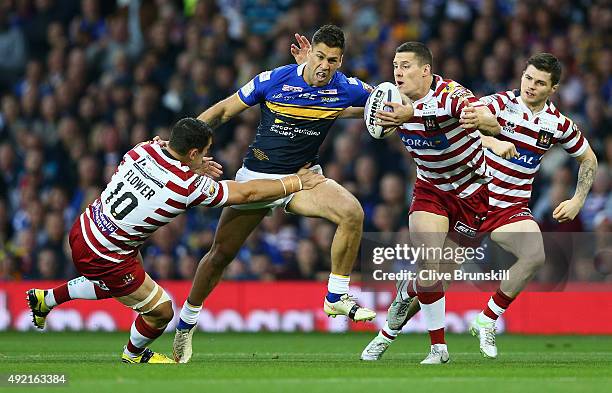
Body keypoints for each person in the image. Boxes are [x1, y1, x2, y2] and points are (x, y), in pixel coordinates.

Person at [27, 117, 325, 364]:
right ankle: (134, 354)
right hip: (106, 253)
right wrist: (298, 182)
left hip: (86, 227)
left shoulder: (141, 149)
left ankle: (46, 300)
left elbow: (159, 146)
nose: (208, 157)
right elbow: (246, 194)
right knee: (161, 311)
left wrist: (192, 166)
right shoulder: (185, 186)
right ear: (193, 153)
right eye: (204, 152)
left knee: (119, 284)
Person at [361, 53, 597, 361]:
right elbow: (468, 123)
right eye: (528, 78)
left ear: (553, 89)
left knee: (535, 255)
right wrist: (494, 140)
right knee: (433, 279)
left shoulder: (558, 124)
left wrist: (578, 199)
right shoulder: (500, 104)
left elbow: (588, 158)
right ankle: (387, 335)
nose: (531, 86)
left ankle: (487, 318)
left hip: (510, 207)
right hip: (472, 196)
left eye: (540, 83)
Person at [172, 25, 377, 364]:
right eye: (321, 57)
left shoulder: (349, 88)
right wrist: (180, 151)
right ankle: (186, 325)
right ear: (309, 52)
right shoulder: (275, 80)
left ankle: (337, 295)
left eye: (334, 61)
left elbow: (383, 108)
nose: (326, 66)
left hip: (304, 179)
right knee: (220, 254)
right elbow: (222, 112)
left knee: (352, 212)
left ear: (342, 62)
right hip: (258, 179)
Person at [360, 41, 502, 364]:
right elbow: (354, 107)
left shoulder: (451, 94)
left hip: (473, 194)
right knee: (429, 264)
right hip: (430, 190)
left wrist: (484, 124)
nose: (398, 71)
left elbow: (490, 121)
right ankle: (439, 349)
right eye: (395, 65)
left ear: (426, 70)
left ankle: (391, 323)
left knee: (434, 279)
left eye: (406, 65)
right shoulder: (389, 100)